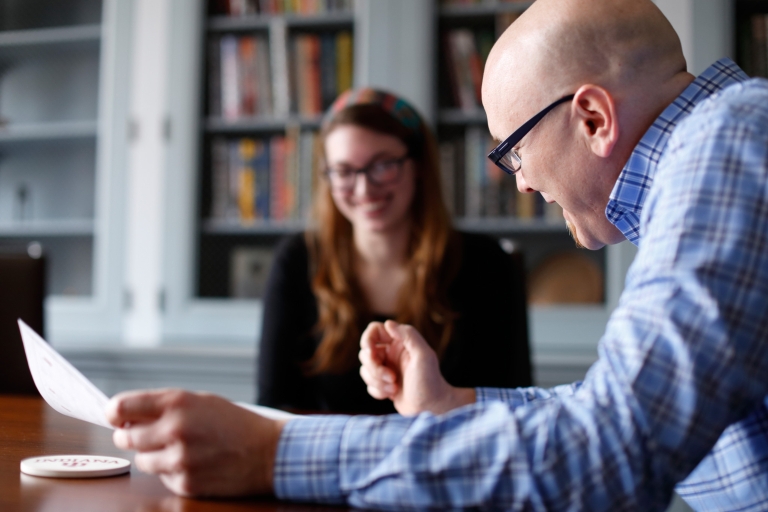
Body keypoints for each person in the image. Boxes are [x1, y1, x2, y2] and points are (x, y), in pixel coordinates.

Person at [105, 0, 768, 509]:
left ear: (592, 117)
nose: (521, 182)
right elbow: (602, 405)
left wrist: (273, 453)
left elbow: (606, 458)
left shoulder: (726, 144)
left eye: (512, 150)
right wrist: (454, 405)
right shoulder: (718, 149)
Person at [257, 88, 532, 414]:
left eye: (383, 165)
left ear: (418, 166)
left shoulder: (488, 264)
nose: (364, 188)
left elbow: (514, 405)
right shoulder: (298, 260)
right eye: (344, 171)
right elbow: (275, 407)